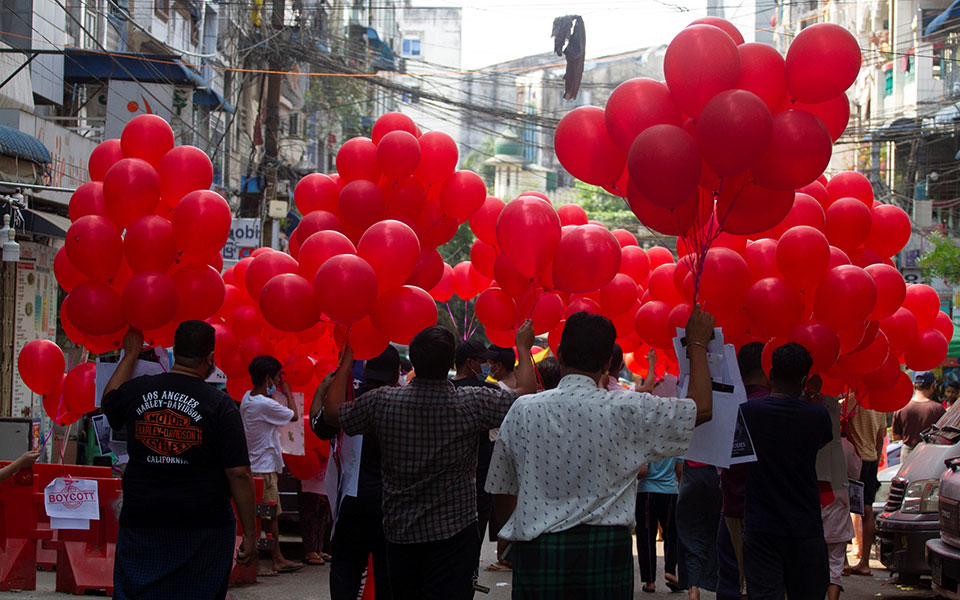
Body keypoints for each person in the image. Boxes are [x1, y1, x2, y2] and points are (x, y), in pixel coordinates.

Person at [485, 308, 715, 599]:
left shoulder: (523, 409)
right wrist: (696, 344)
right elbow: (702, 409)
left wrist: (508, 539)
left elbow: (502, 486)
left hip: (538, 547)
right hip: (607, 549)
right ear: (608, 363)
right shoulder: (630, 408)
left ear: (559, 353)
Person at [313, 322, 538, 600]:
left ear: (415, 361)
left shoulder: (383, 402)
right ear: (449, 363)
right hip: (455, 533)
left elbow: (333, 413)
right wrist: (524, 347)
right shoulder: (471, 402)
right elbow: (525, 396)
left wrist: (348, 357)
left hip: (401, 534)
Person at [102, 323, 257, 600]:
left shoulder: (139, 390)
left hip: (143, 518)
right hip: (202, 525)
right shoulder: (220, 404)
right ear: (210, 357)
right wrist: (250, 534)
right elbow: (239, 474)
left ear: (176, 351)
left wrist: (130, 355)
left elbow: (110, 402)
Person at [740, 342, 833, 600]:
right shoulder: (817, 415)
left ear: (770, 374)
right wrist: (812, 396)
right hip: (805, 526)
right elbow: (822, 441)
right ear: (805, 379)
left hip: (761, 527)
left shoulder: (748, 412)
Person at [313, 346, 401, 600]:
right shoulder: (403, 402)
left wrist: (321, 391)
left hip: (353, 503)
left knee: (346, 568)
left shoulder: (347, 401)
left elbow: (320, 426)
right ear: (396, 373)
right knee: (388, 573)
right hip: (392, 503)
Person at [239, 355, 303, 576]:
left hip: (253, 464)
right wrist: (288, 391)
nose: (277, 383)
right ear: (268, 378)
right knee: (271, 515)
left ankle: (265, 557)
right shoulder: (265, 404)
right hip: (264, 467)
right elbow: (294, 416)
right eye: (276, 378)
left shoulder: (248, 398)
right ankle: (276, 558)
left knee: (259, 515)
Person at [716, 342, 770, 600]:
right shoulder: (772, 406)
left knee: (730, 581)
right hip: (764, 511)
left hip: (730, 505)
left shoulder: (726, 403)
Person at [450, 339, 505, 575]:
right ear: (470, 363)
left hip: (451, 478)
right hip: (477, 479)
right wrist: (524, 348)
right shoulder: (486, 393)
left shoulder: (447, 390)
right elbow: (525, 394)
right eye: (482, 361)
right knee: (470, 544)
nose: (486, 365)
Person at [815, 385, 861, 600]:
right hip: (838, 510)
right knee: (834, 567)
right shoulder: (845, 446)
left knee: (810, 566)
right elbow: (856, 472)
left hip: (812, 512)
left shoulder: (807, 440)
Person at [843, 393, 886, 577]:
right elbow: (880, 438)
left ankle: (843, 561)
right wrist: (875, 462)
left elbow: (841, 425)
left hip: (854, 459)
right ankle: (865, 563)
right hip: (871, 460)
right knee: (867, 510)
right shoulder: (879, 403)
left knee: (844, 508)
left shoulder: (851, 400)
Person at [636, 457, 682, 593]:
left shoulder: (647, 440)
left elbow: (643, 471)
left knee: (646, 537)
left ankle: (650, 581)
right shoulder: (675, 440)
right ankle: (670, 571)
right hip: (670, 492)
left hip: (647, 492)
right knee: (671, 534)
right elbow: (680, 470)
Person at [892, 371, 945, 462]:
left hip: (908, 454)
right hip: (929, 455)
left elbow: (896, 437)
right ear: (933, 386)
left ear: (913, 385)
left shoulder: (901, 407)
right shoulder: (938, 409)